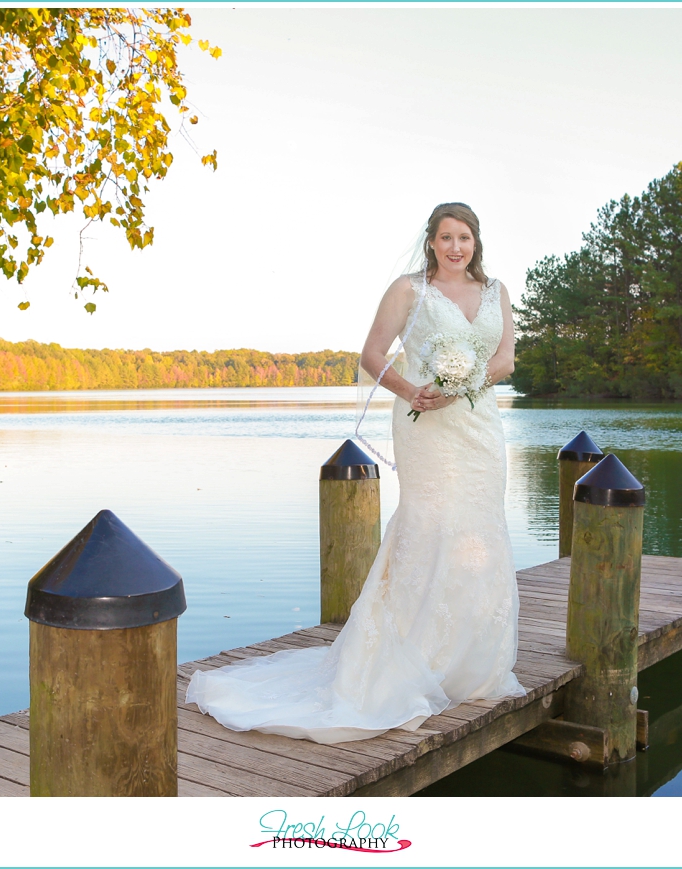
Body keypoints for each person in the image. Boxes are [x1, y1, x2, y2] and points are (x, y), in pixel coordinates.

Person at [185, 202, 525, 744]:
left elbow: (506, 358)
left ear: (476, 242)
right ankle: (409, 657)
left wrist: (464, 384)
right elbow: (371, 354)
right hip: (425, 426)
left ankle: (469, 664)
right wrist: (412, 390)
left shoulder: (497, 291)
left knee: (479, 531)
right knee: (429, 523)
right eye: (445, 238)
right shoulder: (409, 290)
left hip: (480, 426)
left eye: (464, 238)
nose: (455, 247)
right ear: (431, 243)